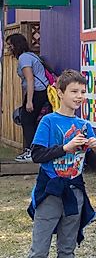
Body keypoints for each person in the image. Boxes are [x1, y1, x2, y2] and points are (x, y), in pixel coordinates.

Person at [15, 70, 96, 258]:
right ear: (60, 93)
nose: (79, 96)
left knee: (67, 250)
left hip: (74, 194)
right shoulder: (49, 122)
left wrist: (94, 149)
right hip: (50, 193)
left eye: (83, 92)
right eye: (74, 91)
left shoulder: (85, 125)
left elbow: (94, 164)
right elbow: (37, 154)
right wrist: (65, 147)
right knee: (39, 250)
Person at [6, 33, 51, 162]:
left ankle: (31, 152)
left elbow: (30, 80)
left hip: (37, 92)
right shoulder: (31, 55)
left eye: (10, 45)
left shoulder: (24, 58)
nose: (9, 48)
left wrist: (29, 101)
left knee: (27, 120)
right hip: (41, 91)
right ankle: (34, 150)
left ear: (17, 45)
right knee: (31, 120)